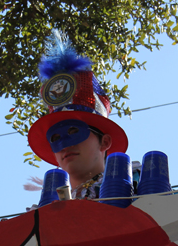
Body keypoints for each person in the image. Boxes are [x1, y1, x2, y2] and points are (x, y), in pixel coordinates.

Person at [27, 33, 128, 200]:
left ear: (104, 142)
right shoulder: (46, 210)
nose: (64, 145)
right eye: (55, 138)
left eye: (74, 132)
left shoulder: (135, 187)